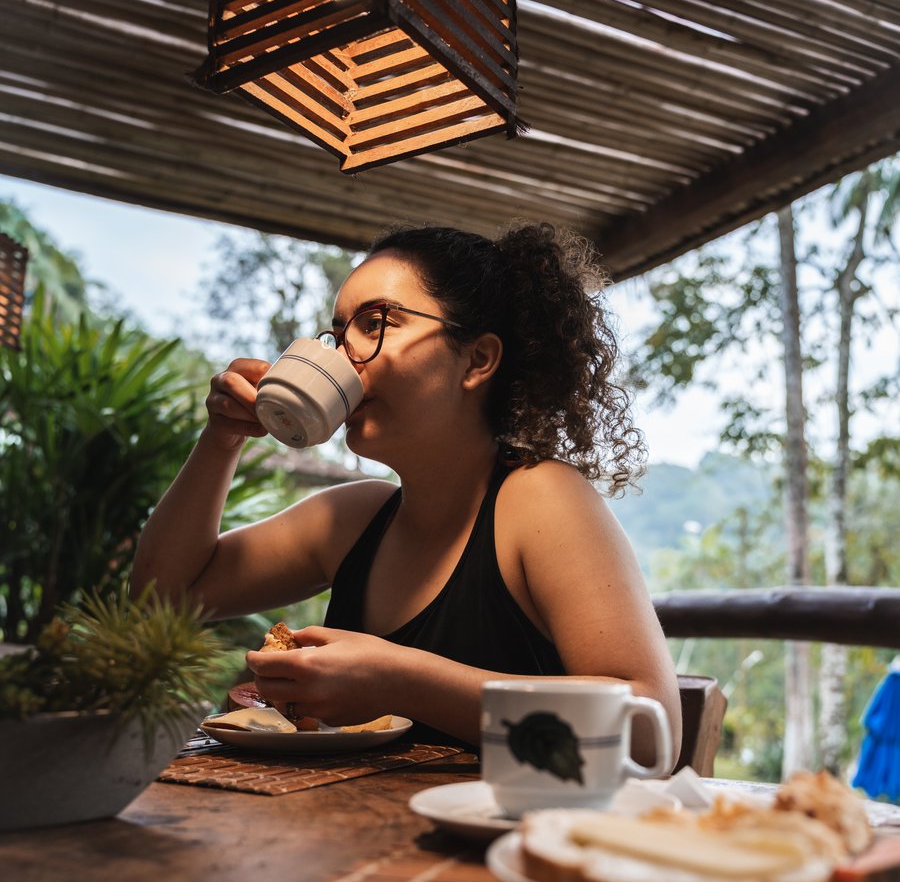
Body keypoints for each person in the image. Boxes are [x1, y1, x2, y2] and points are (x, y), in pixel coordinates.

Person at [131, 222, 681, 758]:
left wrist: (398, 678)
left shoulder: (541, 499)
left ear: (477, 360)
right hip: (356, 839)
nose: (342, 355)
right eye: (338, 332)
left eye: (376, 324)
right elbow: (162, 598)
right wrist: (222, 437)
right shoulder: (354, 518)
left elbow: (651, 723)